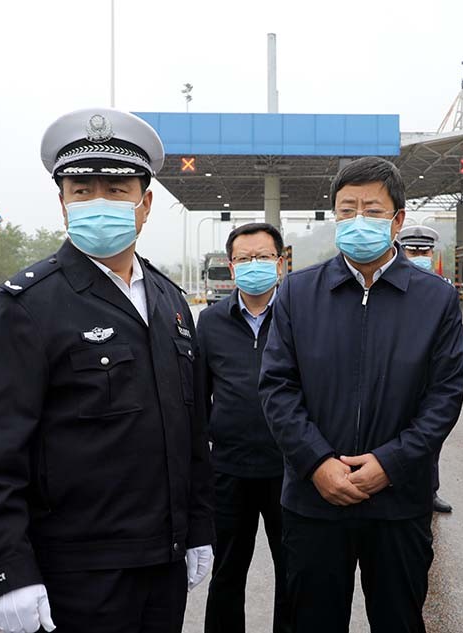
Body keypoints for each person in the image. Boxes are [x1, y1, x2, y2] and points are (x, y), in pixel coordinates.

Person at [0, 107, 214, 633]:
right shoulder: (27, 305)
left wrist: (198, 528)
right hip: (74, 573)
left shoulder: (170, 301)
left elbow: (189, 432)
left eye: (116, 189)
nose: (99, 202)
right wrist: (7, 571)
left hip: (162, 562)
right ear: (63, 204)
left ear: (145, 204)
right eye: (81, 190)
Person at [259, 156, 463, 633]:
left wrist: (391, 464)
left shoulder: (435, 298)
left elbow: (445, 394)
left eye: (371, 210)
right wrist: (318, 463)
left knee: (399, 620)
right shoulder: (297, 292)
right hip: (315, 500)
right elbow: (277, 387)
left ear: (397, 219)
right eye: (346, 209)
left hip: (399, 502)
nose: (358, 220)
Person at [197, 222, 291, 633]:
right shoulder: (211, 321)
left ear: (280, 263)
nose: (254, 265)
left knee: (294, 571)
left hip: (290, 469)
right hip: (229, 470)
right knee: (227, 572)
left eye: (263, 257)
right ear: (232, 267)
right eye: (244, 258)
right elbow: (199, 396)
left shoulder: (298, 316)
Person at [396, 224, 453, 514]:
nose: (419, 256)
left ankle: (429, 491)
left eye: (424, 252)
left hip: (430, 375)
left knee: (431, 437)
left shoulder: (442, 289)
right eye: (413, 251)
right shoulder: (391, 285)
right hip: (399, 375)